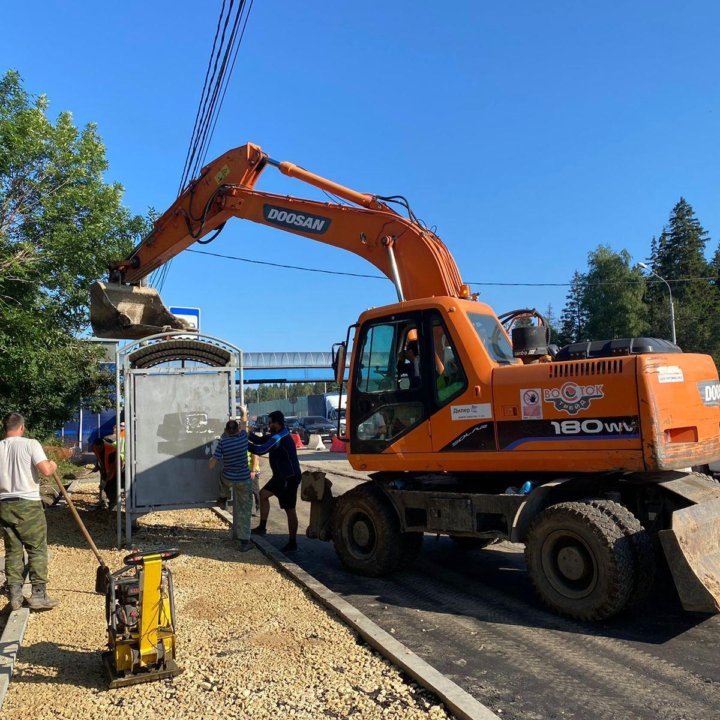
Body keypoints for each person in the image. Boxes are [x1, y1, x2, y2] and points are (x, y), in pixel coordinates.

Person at [0, 412, 59, 611]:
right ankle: (38, 595)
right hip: (28, 504)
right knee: (37, 548)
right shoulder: (30, 444)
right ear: (22, 427)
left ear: (5, 428)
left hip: (4, 505)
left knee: (13, 550)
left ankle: (15, 596)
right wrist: (53, 464)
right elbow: (46, 471)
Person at [249, 410, 302, 552]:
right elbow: (260, 440)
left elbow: (260, 450)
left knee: (289, 509)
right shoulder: (276, 434)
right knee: (263, 494)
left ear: (277, 423)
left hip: (289, 478)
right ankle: (262, 527)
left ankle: (292, 542)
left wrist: (243, 443)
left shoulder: (279, 437)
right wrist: (247, 434)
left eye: (270, 422)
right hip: (279, 476)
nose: (268, 425)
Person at [208, 412, 252, 552]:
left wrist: (211, 459)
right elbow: (245, 424)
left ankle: (223, 497)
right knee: (244, 510)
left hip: (229, 479)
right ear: (238, 430)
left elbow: (212, 465)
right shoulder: (244, 438)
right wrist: (244, 413)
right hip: (244, 480)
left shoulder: (223, 443)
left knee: (222, 476)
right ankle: (245, 542)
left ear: (226, 431)